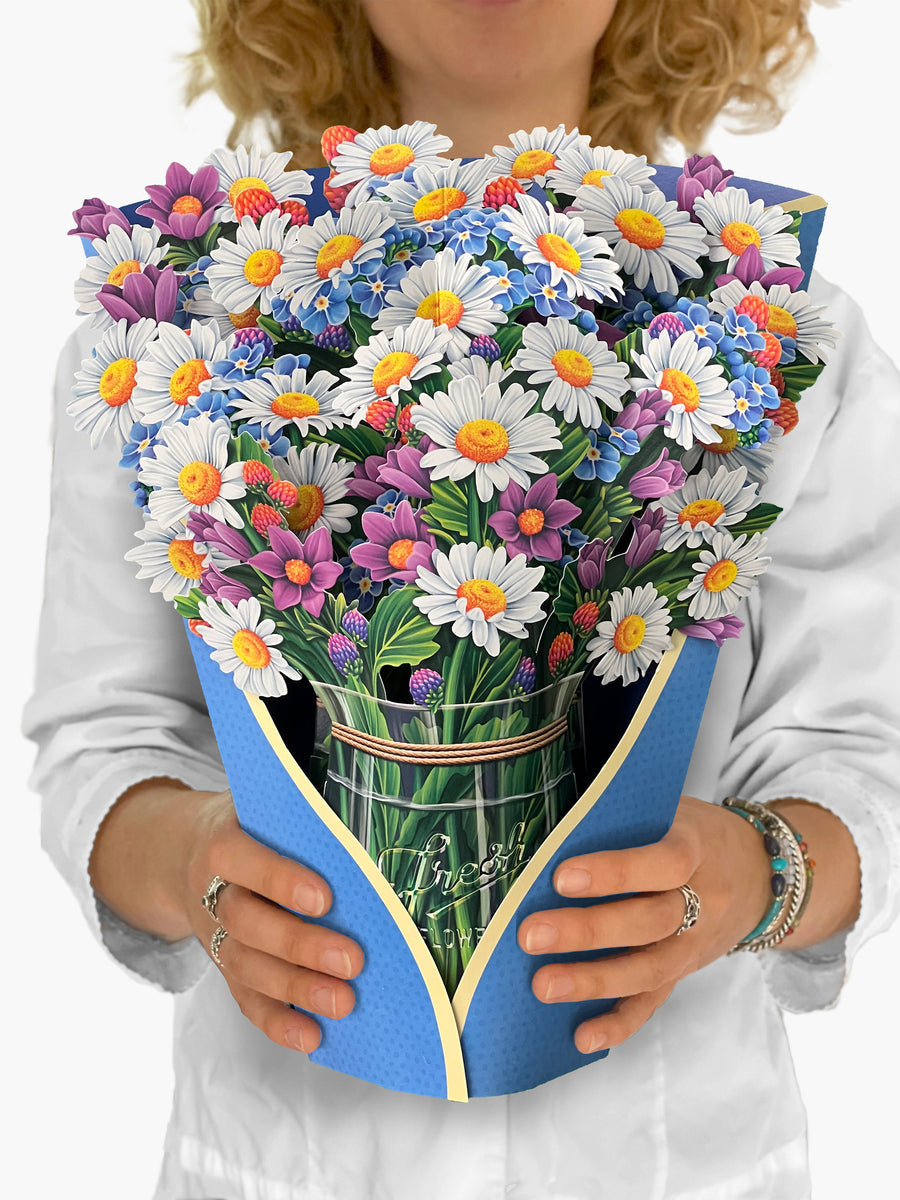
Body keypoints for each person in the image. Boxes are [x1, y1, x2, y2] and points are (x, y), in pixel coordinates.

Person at [23, 0, 900, 1197]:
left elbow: (863, 748)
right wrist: (188, 864)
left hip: (680, 1154)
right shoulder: (177, 333)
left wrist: (761, 875)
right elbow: (102, 736)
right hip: (288, 1150)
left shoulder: (786, 332)